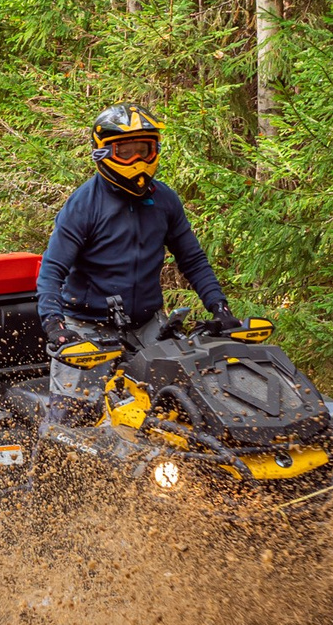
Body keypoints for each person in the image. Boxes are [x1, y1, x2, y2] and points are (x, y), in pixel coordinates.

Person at [35, 105, 240, 431]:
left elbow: (193, 259)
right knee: (71, 421)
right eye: (125, 151)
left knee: (174, 410)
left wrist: (219, 307)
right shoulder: (83, 205)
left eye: (144, 150)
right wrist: (54, 324)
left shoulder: (165, 201)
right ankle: (48, 462)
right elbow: (52, 270)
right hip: (87, 327)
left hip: (148, 326)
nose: (137, 160)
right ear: (103, 152)